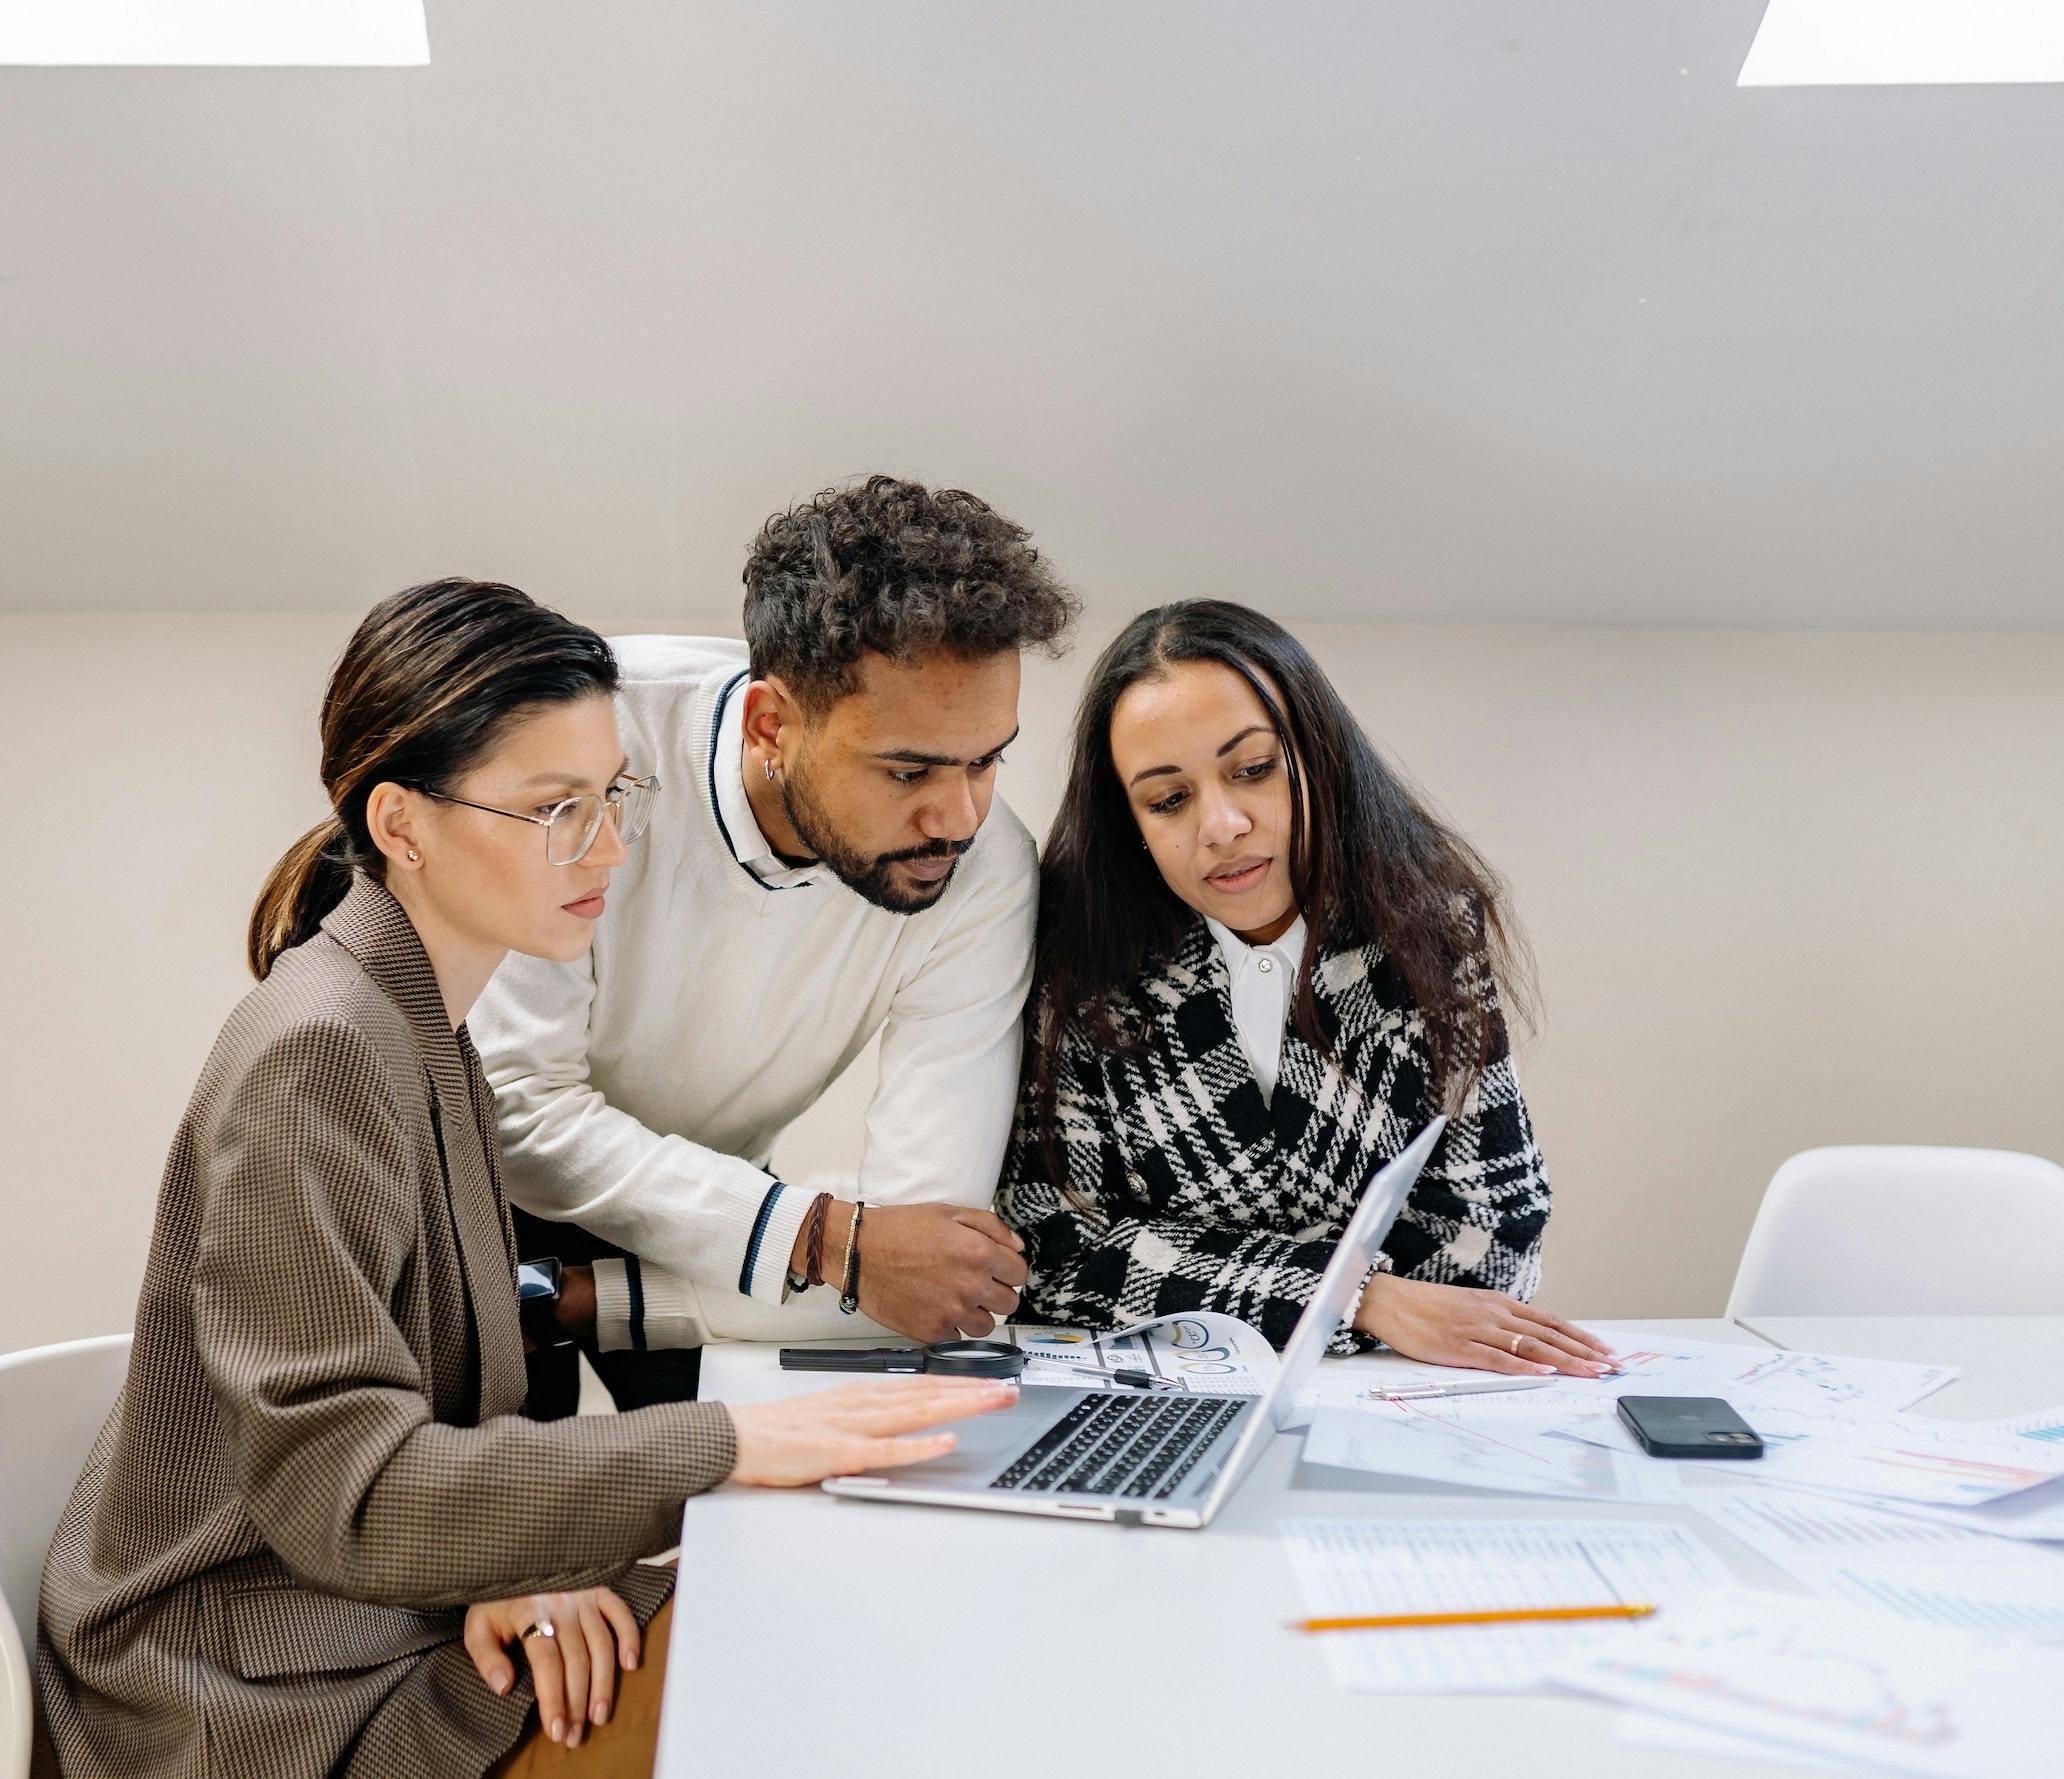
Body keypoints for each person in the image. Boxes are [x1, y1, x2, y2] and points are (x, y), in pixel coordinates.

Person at [33, 580, 1013, 1779]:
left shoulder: (425, 1028)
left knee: (805, 1610)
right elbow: (341, 1487)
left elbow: (414, 1450)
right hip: (255, 1690)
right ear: (403, 824)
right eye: (555, 809)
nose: (606, 848)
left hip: (379, 1615)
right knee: (797, 1663)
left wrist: (523, 1562)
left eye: (613, 797)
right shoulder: (318, 1054)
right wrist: (723, 1447)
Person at [469, 477, 1080, 1412]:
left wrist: (825, 1247)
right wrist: (830, 1239)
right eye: (908, 768)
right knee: (492, 1535)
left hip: (728, 1216)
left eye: (988, 757)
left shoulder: (987, 867)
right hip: (483, 1201)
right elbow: (514, 1111)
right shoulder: (592, 743)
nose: (959, 816)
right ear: (772, 724)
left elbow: (923, 1259)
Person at [997, 600, 1612, 1377]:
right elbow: (1051, 1246)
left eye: (1251, 770)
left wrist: (1185, 1269)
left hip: (1385, 1397)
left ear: (1316, 757)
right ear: (1132, 824)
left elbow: (1495, 1248)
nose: (1220, 825)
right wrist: (1358, 1295)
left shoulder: (1428, 932)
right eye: (1168, 799)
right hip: (1154, 1396)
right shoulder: (1081, 963)